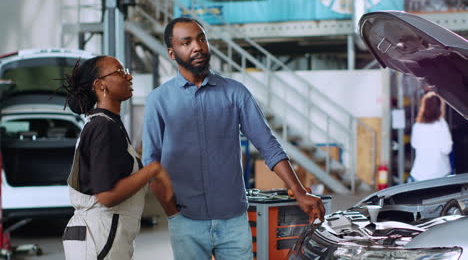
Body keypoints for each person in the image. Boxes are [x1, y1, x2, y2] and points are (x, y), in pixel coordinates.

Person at [142, 17, 325, 260]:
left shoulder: (235, 93)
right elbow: (151, 164)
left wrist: (299, 191)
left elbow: (267, 145)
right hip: (186, 220)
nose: (197, 46)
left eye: (201, 38)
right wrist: (172, 212)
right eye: (186, 42)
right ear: (172, 53)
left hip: (233, 221)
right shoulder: (159, 100)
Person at [61, 56, 173, 260]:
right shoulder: (103, 127)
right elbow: (106, 196)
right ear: (100, 84)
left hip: (103, 235)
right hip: (100, 237)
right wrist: (152, 170)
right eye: (119, 72)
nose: (128, 76)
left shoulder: (107, 124)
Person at [408, 91, 453, 182]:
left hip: (419, 174)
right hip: (439, 174)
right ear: (440, 107)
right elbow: (447, 149)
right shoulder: (441, 125)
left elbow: (414, 145)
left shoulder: (418, 125)